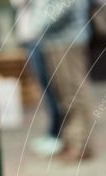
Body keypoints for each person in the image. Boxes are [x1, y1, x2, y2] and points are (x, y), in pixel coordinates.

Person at [30, 0, 93, 162]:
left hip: (67, 40)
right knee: (64, 96)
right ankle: (70, 141)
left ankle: (79, 145)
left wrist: (40, 23)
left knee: (74, 93)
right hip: (56, 40)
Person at [11, 0, 65, 156]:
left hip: (41, 39)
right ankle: (53, 133)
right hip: (32, 39)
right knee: (45, 88)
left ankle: (57, 134)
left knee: (51, 88)